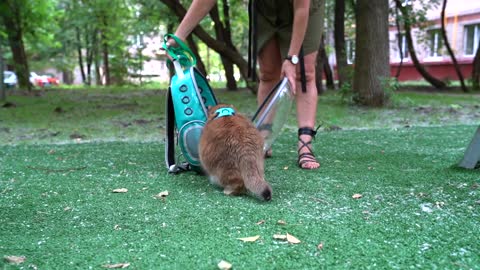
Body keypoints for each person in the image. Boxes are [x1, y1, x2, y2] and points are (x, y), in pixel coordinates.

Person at [167, 0, 321, 170]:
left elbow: (301, 8)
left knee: (303, 73)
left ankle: (305, 142)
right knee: (268, 73)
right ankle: (262, 138)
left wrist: (292, 58)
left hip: (304, 8)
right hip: (264, 9)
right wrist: (180, 35)